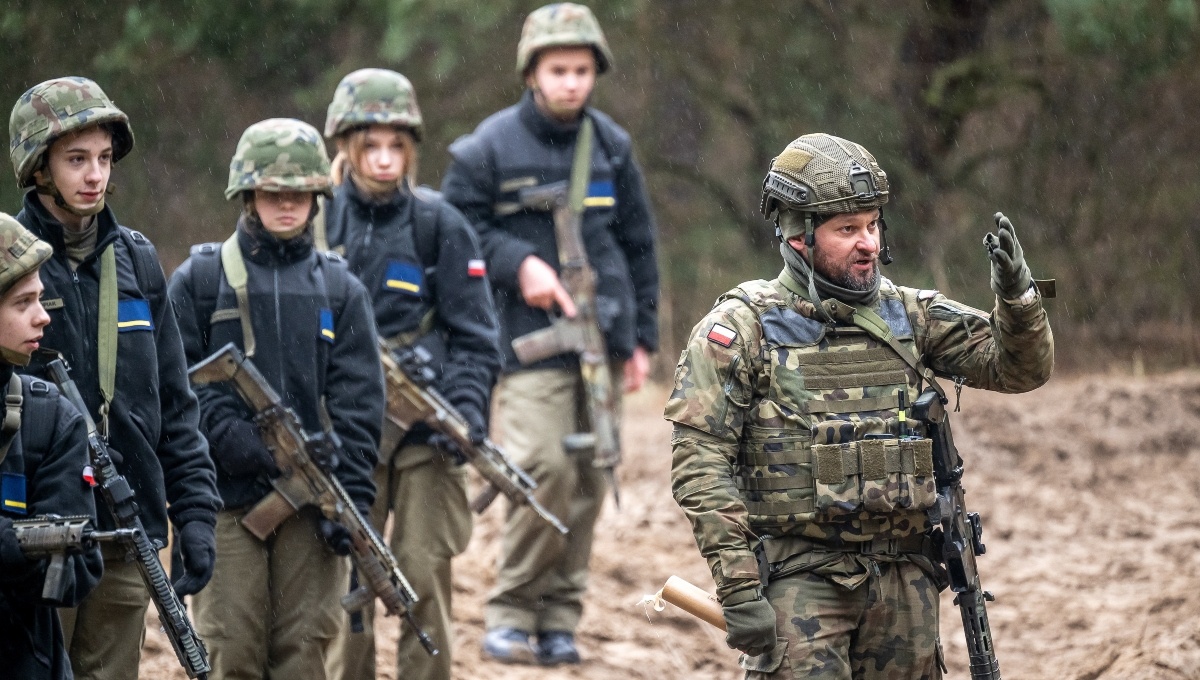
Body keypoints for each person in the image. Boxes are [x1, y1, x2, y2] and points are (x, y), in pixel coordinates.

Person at [665, 132, 1054, 679]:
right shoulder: (741, 328)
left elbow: (1019, 369)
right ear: (798, 235)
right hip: (801, 582)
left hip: (905, 580)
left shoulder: (911, 315)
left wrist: (1018, 300)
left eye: (872, 225)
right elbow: (700, 464)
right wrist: (739, 588)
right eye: (847, 229)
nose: (868, 243)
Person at [442, 2, 660, 666]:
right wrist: (519, 264)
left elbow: (639, 243)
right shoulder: (487, 147)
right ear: (531, 72)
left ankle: (559, 620)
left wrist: (642, 340)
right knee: (542, 468)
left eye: (582, 70)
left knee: (591, 478)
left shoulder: (612, 145)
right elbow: (454, 232)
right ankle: (511, 612)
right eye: (558, 69)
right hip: (526, 339)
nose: (571, 82)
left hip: (605, 336)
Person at [8, 76, 220, 680]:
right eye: (76, 160)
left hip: (126, 528)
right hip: (33, 531)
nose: (95, 175)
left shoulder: (138, 260)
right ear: (39, 168)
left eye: (104, 158)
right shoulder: (9, 261)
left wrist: (195, 514)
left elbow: (175, 403)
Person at [166, 117, 384, 680]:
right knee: (232, 648)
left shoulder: (340, 288)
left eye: (300, 194)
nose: (287, 205)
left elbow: (361, 407)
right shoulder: (201, 280)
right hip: (223, 500)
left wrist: (353, 502)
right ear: (247, 195)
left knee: (304, 653)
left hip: (311, 503)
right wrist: (229, 438)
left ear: (317, 198)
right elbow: (173, 387)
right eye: (272, 193)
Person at [319, 69, 501, 680]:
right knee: (349, 581)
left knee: (423, 577)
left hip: (426, 437)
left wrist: (467, 408)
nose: (383, 159)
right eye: (369, 145)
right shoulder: (317, 223)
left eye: (396, 145)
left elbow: (476, 337)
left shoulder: (438, 224)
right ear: (345, 146)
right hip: (345, 433)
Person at [0, 212, 105, 680]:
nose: (43, 316)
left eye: (40, 298)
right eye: (23, 302)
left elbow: (78, 573)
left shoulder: (49, 419)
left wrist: (15, 549)